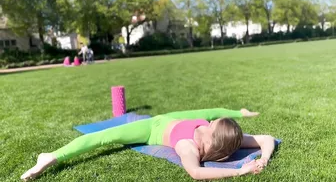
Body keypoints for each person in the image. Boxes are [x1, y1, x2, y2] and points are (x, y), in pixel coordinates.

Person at [21, 108, 276, 181]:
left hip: (154, 127)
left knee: (105, 136)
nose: (206, 125)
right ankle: (51, 155)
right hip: (166, 121)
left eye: (209, 128)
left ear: (212, 142)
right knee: (206, 110)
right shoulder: (216, 137)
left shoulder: (189, 147)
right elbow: (266, 140)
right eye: (210, 123)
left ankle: (49, 157)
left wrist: (242, 169)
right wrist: (260, 160)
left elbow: (196, 172)